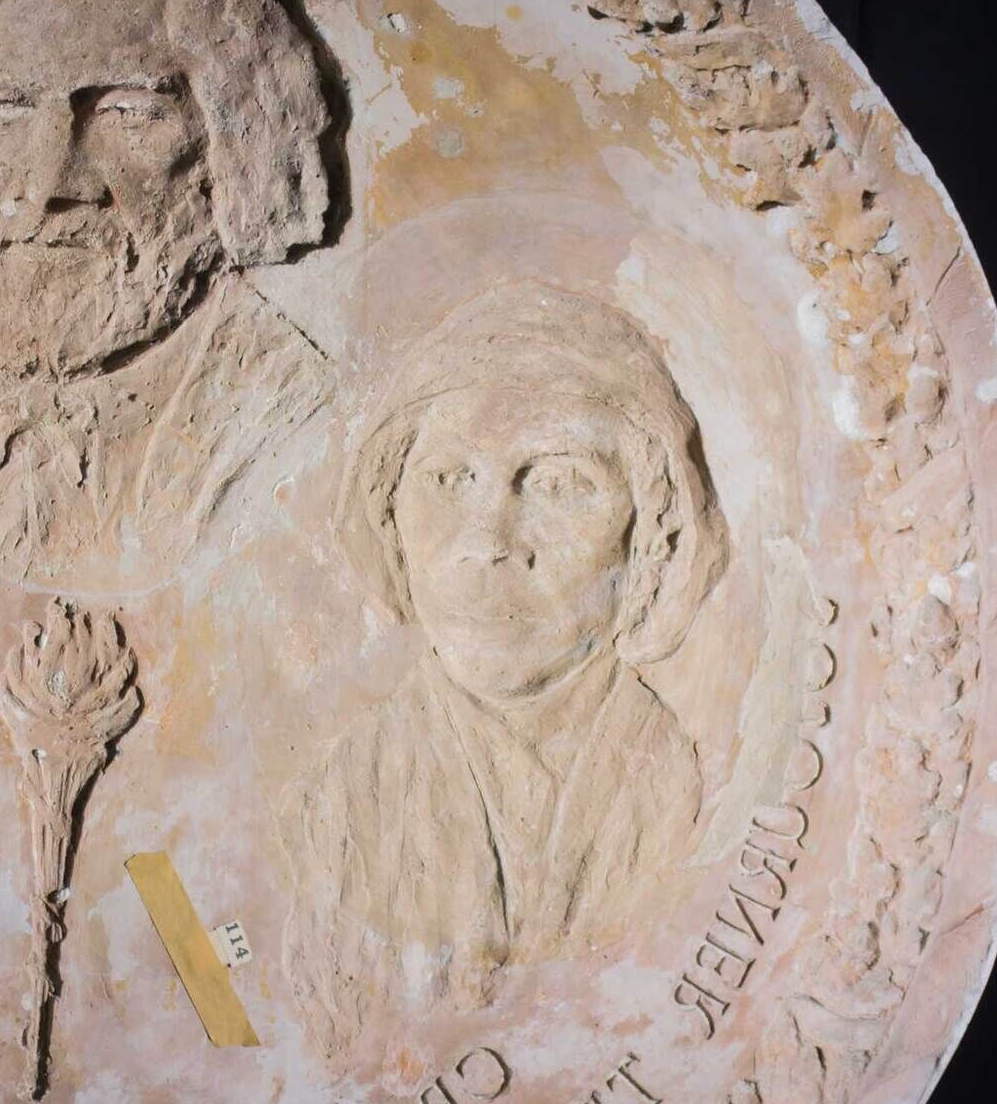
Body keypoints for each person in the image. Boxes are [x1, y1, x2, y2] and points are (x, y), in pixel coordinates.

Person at [283, 281, 730, 1051]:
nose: (489, 537)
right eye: (450, 479)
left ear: (650, 537)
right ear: (391, 518)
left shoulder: (679, 783)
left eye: (559, 483)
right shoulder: (341, 799)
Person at [0, 0, 341, 596]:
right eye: (4, 112)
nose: (53, 187)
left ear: (234, 146)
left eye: (127, 112)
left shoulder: (289, 415)